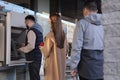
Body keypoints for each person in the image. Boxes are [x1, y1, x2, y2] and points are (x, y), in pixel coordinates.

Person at [70, 2, 104, 80]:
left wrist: (73, 66)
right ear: (96, 11)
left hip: (86, 69)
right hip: (101, 68)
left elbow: (76, 47)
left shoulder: (82, 23)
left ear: (85, 10)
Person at [40, 14, 67, 80]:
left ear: (52, 23)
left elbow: (46, 52)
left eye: (49, 21)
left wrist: (41, 45)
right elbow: (66, 50)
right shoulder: (63, 35)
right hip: (61, 65)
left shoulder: (50, 36)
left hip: (52, 66)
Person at [19, 15, 43, 80]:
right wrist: (26, 44)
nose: (25, 24)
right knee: (36, 77)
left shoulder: (32, 31)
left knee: (33, 78)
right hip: (37, 57)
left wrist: (21, 49)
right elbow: (41, 44)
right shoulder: (39, 31)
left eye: (25, 22)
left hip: (33, 59)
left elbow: (31, 46)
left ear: (28, 21)